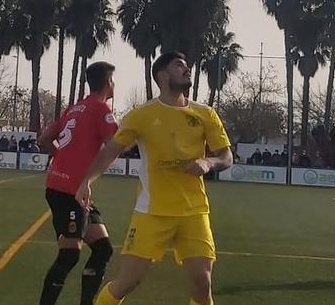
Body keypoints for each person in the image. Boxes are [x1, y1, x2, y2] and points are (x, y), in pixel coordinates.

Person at [77, 52, 232, 305]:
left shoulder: (206, 114)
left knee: (202, 283)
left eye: (187, 64)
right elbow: (111, 150)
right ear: (162, 75)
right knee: (127, 282)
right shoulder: (141, 115)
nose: (187, 68)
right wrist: (87, 181)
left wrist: (208, 162)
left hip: (194, 211)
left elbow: (226, 157)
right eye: (179, 65)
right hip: (152, 211)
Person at [37, 62, 120, 305]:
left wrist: (61, 158)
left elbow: (44, 139)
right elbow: (116, 144)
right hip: (68, 191)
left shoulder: (75, 109)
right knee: (70, 254)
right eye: (113, 80)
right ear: (107, 82)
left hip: (69, 189)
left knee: (103, 249)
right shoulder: (100, 108)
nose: (114, 84)